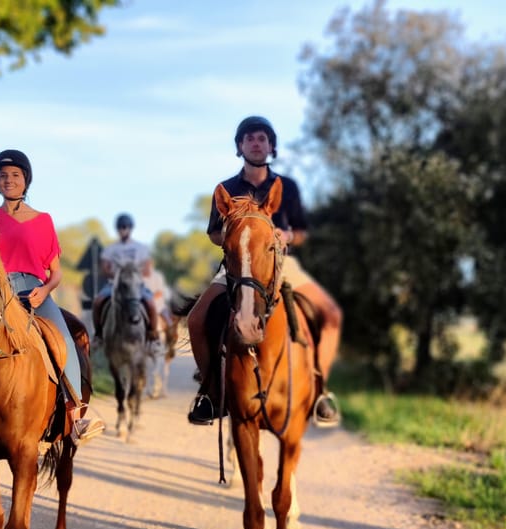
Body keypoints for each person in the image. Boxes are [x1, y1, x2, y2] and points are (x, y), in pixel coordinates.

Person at [186, 116, 343, 428]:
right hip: (238, 264)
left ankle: (320, 390)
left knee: (331, 315)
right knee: (196, 318)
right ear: (240, 146)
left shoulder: (288, 187)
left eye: (262, 138)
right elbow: (213, 233)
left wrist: (285, 237)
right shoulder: (226, 188)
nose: (256, 143)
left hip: (282, 264)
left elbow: (301, 232)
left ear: (271, 146)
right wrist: (235, 238)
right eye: (249, 138)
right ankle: (212, 393)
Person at [0, 149, 105, 446]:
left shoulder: (43, 220)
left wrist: (45, 290)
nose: (9, 180)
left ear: (25, 181)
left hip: (34, 291)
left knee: (65, 342)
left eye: (15, 175)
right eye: (3, 176)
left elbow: (55, 272)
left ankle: (77, 414)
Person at [91, 213, 159, 344]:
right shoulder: (111, 249)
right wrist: (118, 275)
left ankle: (152, 333)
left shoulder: (141, 248)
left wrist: (132, 274)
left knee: (150, 303)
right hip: (115, 284)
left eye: (125, 227)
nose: (123, 230)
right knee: (97, 301)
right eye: (120, 227)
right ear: (117, 229)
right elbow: (105, 268)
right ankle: (99, 334)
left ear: (130, 228)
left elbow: (147, 269)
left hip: (136, 285)